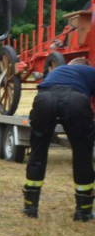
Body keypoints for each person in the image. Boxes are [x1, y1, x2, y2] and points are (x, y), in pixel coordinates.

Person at [23, 57, 95, 221]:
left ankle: (30, 207)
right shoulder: (90, 71)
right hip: (75, 100)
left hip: (45, 99)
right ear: (86, 66)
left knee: (38, 152)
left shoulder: (57, 71)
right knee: (82, 154)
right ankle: (83, 211)